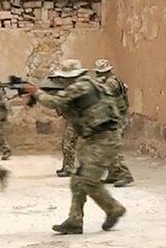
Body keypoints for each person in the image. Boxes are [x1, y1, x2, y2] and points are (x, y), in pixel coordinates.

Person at [26, 59, 126, 234]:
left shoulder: (82, 86)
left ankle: (113, 208)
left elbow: (53, 102)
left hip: (104, 138)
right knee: (77, 180)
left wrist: (37, 92)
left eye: (64, 79)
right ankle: (75, 220)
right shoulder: (89, 86)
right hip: (96, 138)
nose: (62, 82)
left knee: (88, 180)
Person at [94, 59, 135, 187]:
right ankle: (113, 174)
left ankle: (124, 174)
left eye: (99, 73)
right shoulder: (113, 81)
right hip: (114, 117)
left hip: (116, 118)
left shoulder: (111, 83)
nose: (97, 75)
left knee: (111, 147)